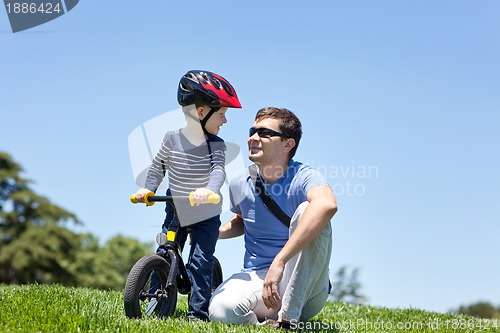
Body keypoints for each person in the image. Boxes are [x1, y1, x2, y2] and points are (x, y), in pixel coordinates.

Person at [208, 107, 337, 328]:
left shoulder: (304, 176)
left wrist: (280, 260)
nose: (253, 138)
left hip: (306, 285)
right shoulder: (240, 180)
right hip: (259, 279)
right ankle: (267, 326)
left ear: (288, 144)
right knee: (221, 310)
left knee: (310, 209)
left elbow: (327, 205)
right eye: (252, 131)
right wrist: (211, 233)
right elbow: (242, 219)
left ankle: (289, 319)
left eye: (265, 133)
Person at [134, 70, 242, 321]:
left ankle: (197, 314)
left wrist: (210, 190)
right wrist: (149, 189)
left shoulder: (216, 145)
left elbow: (218, 171)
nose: (225, 120)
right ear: (201, 112)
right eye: (222, 114)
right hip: (176, 208)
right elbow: (158, 167)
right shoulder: (172, 139)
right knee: (165, 250)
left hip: (205, 211)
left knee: (200, 262)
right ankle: (155, 306)